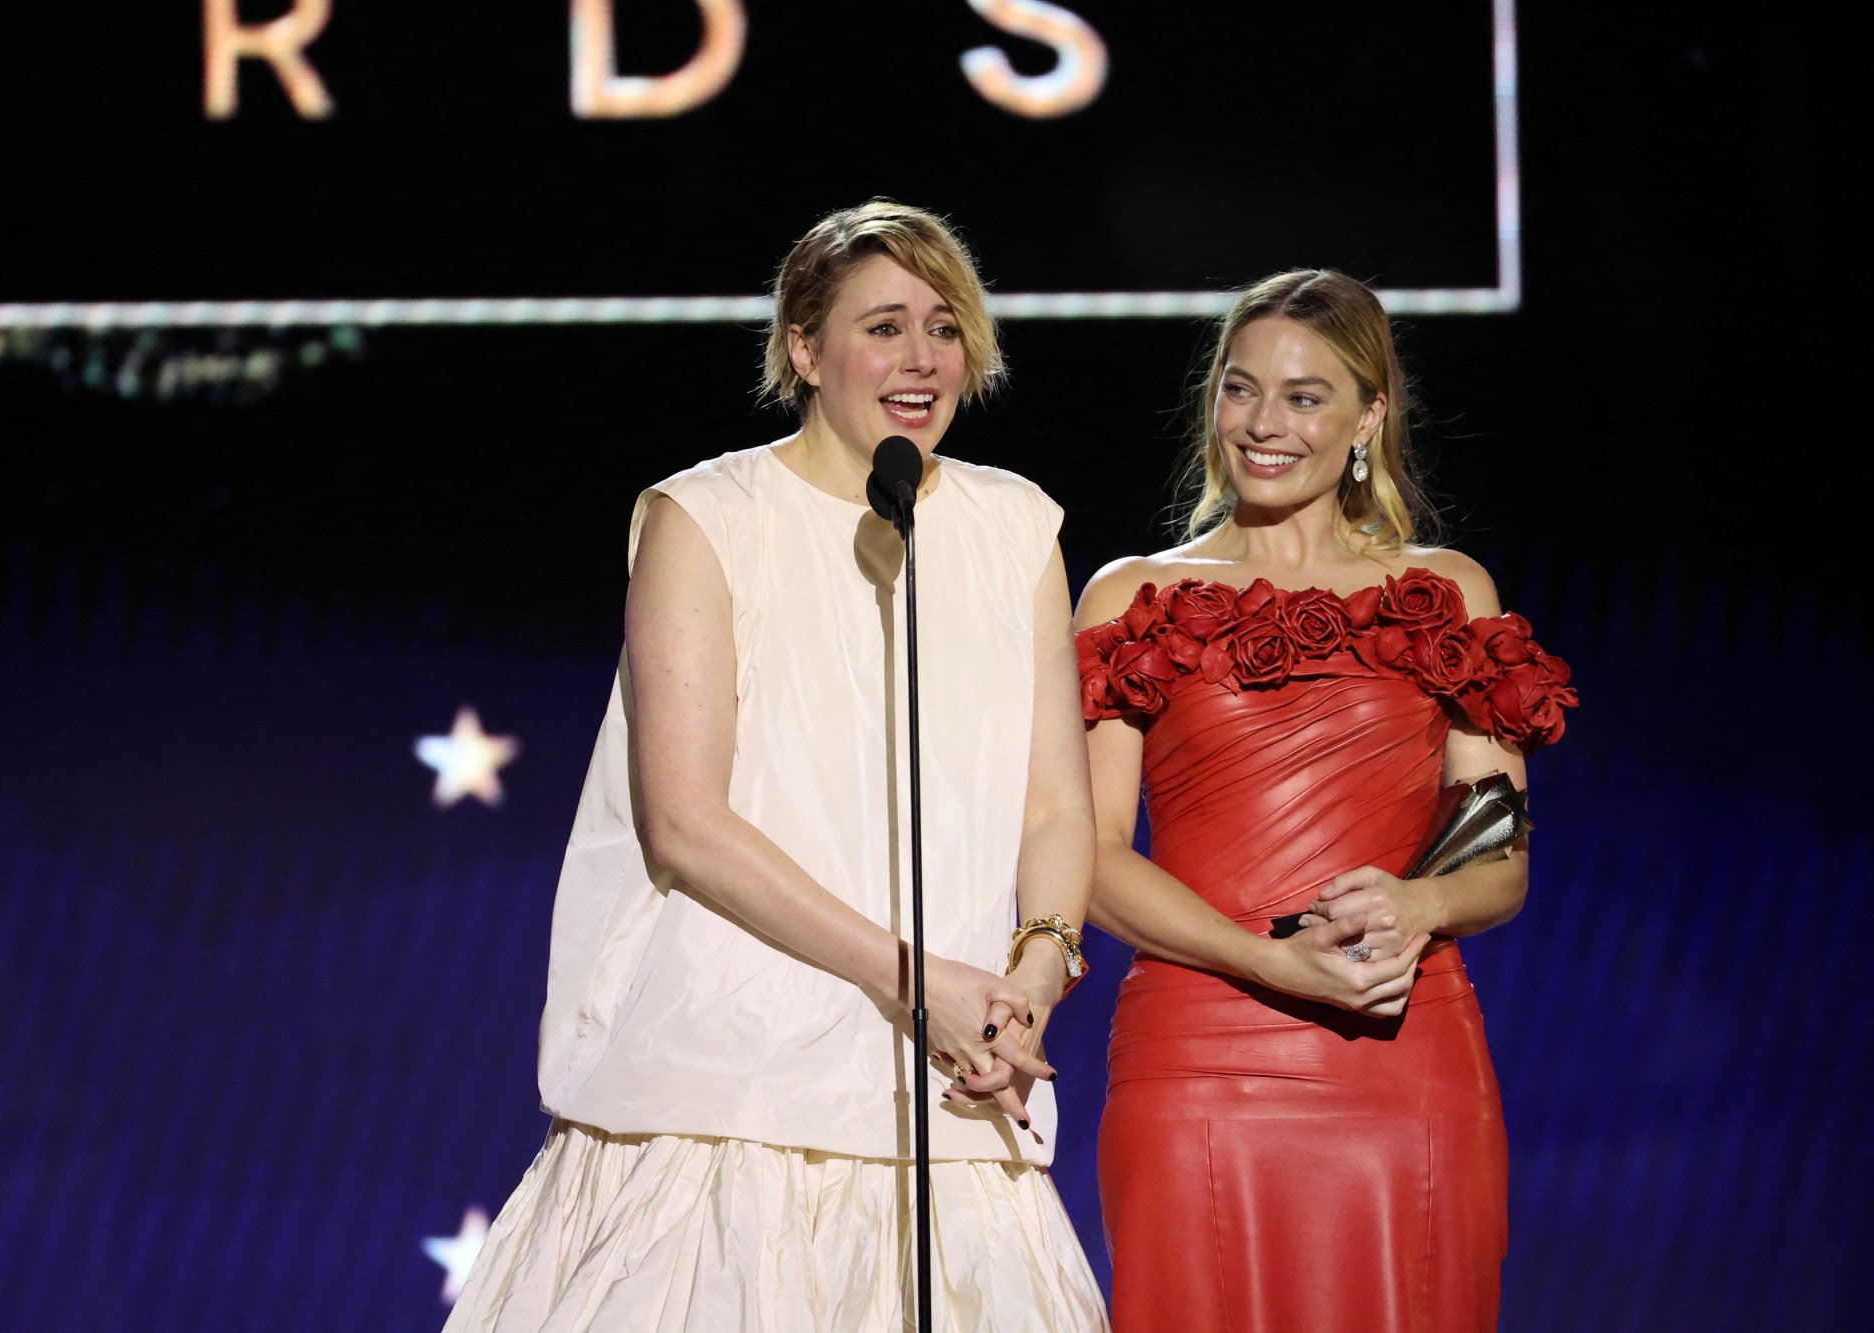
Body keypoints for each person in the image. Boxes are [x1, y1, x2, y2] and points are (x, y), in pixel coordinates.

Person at [446, 201, 1108, 1331]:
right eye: (883, 327)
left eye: (944, 327)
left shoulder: (1014, 528)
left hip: (949, 1092)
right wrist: (919, 979)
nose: (920, 359)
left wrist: (1029, 989)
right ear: (803, 348)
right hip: (730, 1086)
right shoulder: (707, 518)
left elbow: (1055, 806)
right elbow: (684, 823)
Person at [1074, 270, 1576, 1331]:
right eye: (1240, 388)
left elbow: (1498, 854)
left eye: (1303, 397)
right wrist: (1265, 959)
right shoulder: (1132, 594)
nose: (1263, 424)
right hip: (1198, 1064)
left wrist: (1419, 902)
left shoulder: (1445, 593)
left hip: (1399, 1055)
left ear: (1368, 417)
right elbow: (1088, 854)